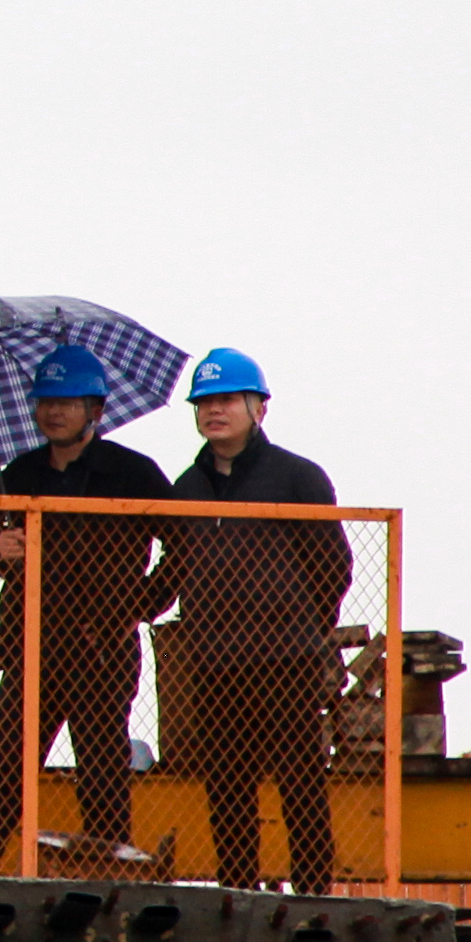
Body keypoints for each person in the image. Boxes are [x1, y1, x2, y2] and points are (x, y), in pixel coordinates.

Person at [0, 341, 169, 871]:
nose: (53, 410)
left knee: (102, 771)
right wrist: (0, 550)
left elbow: (182, 544)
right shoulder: (19, 474)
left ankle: (107, 878)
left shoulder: (133, 473)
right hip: (32, 643)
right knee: (4, 767)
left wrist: (139, 605)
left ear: (95, 409)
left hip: (103, 645)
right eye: (46, 399)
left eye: (68, 401)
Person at [158, 348, 353, 889]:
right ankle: (238, 893)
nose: (212, 411)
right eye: (203, 402)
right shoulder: (186, 488)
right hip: (214, 661)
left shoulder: (298, 478)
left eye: (225, 400)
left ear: (259, 408)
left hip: (284, 658)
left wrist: (302, 628)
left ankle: (316, 890)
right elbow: (174, 567)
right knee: (226, 785)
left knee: (301, 782)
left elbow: (332, 566)